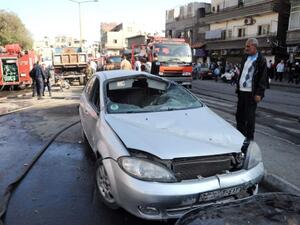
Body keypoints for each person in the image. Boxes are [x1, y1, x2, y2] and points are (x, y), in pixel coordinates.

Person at [235, 38, 267, 142]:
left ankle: (249, 139)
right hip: (241, 91)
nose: (246, 48)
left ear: (254, 46)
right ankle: (240, 136)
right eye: (246, 46)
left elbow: (263, 78)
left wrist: (259, 93)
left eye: (248, 46)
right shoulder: (245, 57)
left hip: (251, 93)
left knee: (249, 118)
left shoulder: (261, 59)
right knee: (239, 115)